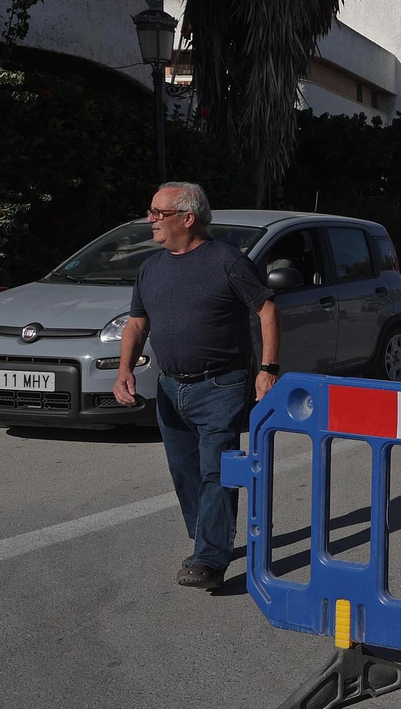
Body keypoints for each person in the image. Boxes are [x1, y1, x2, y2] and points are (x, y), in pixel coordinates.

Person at [113, 182, 281, 590]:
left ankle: (209, 556)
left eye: (158, 212)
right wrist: (124, 370)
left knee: (215, 472)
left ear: (188, 218)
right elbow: (137, 323)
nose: (150, 219)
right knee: (184, 472)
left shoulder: (227, 261)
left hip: (220, 385)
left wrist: (268, 367)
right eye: (151, 211)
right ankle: (209, 535)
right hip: (170, 388)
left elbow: (267, 308)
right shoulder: (151, 267)